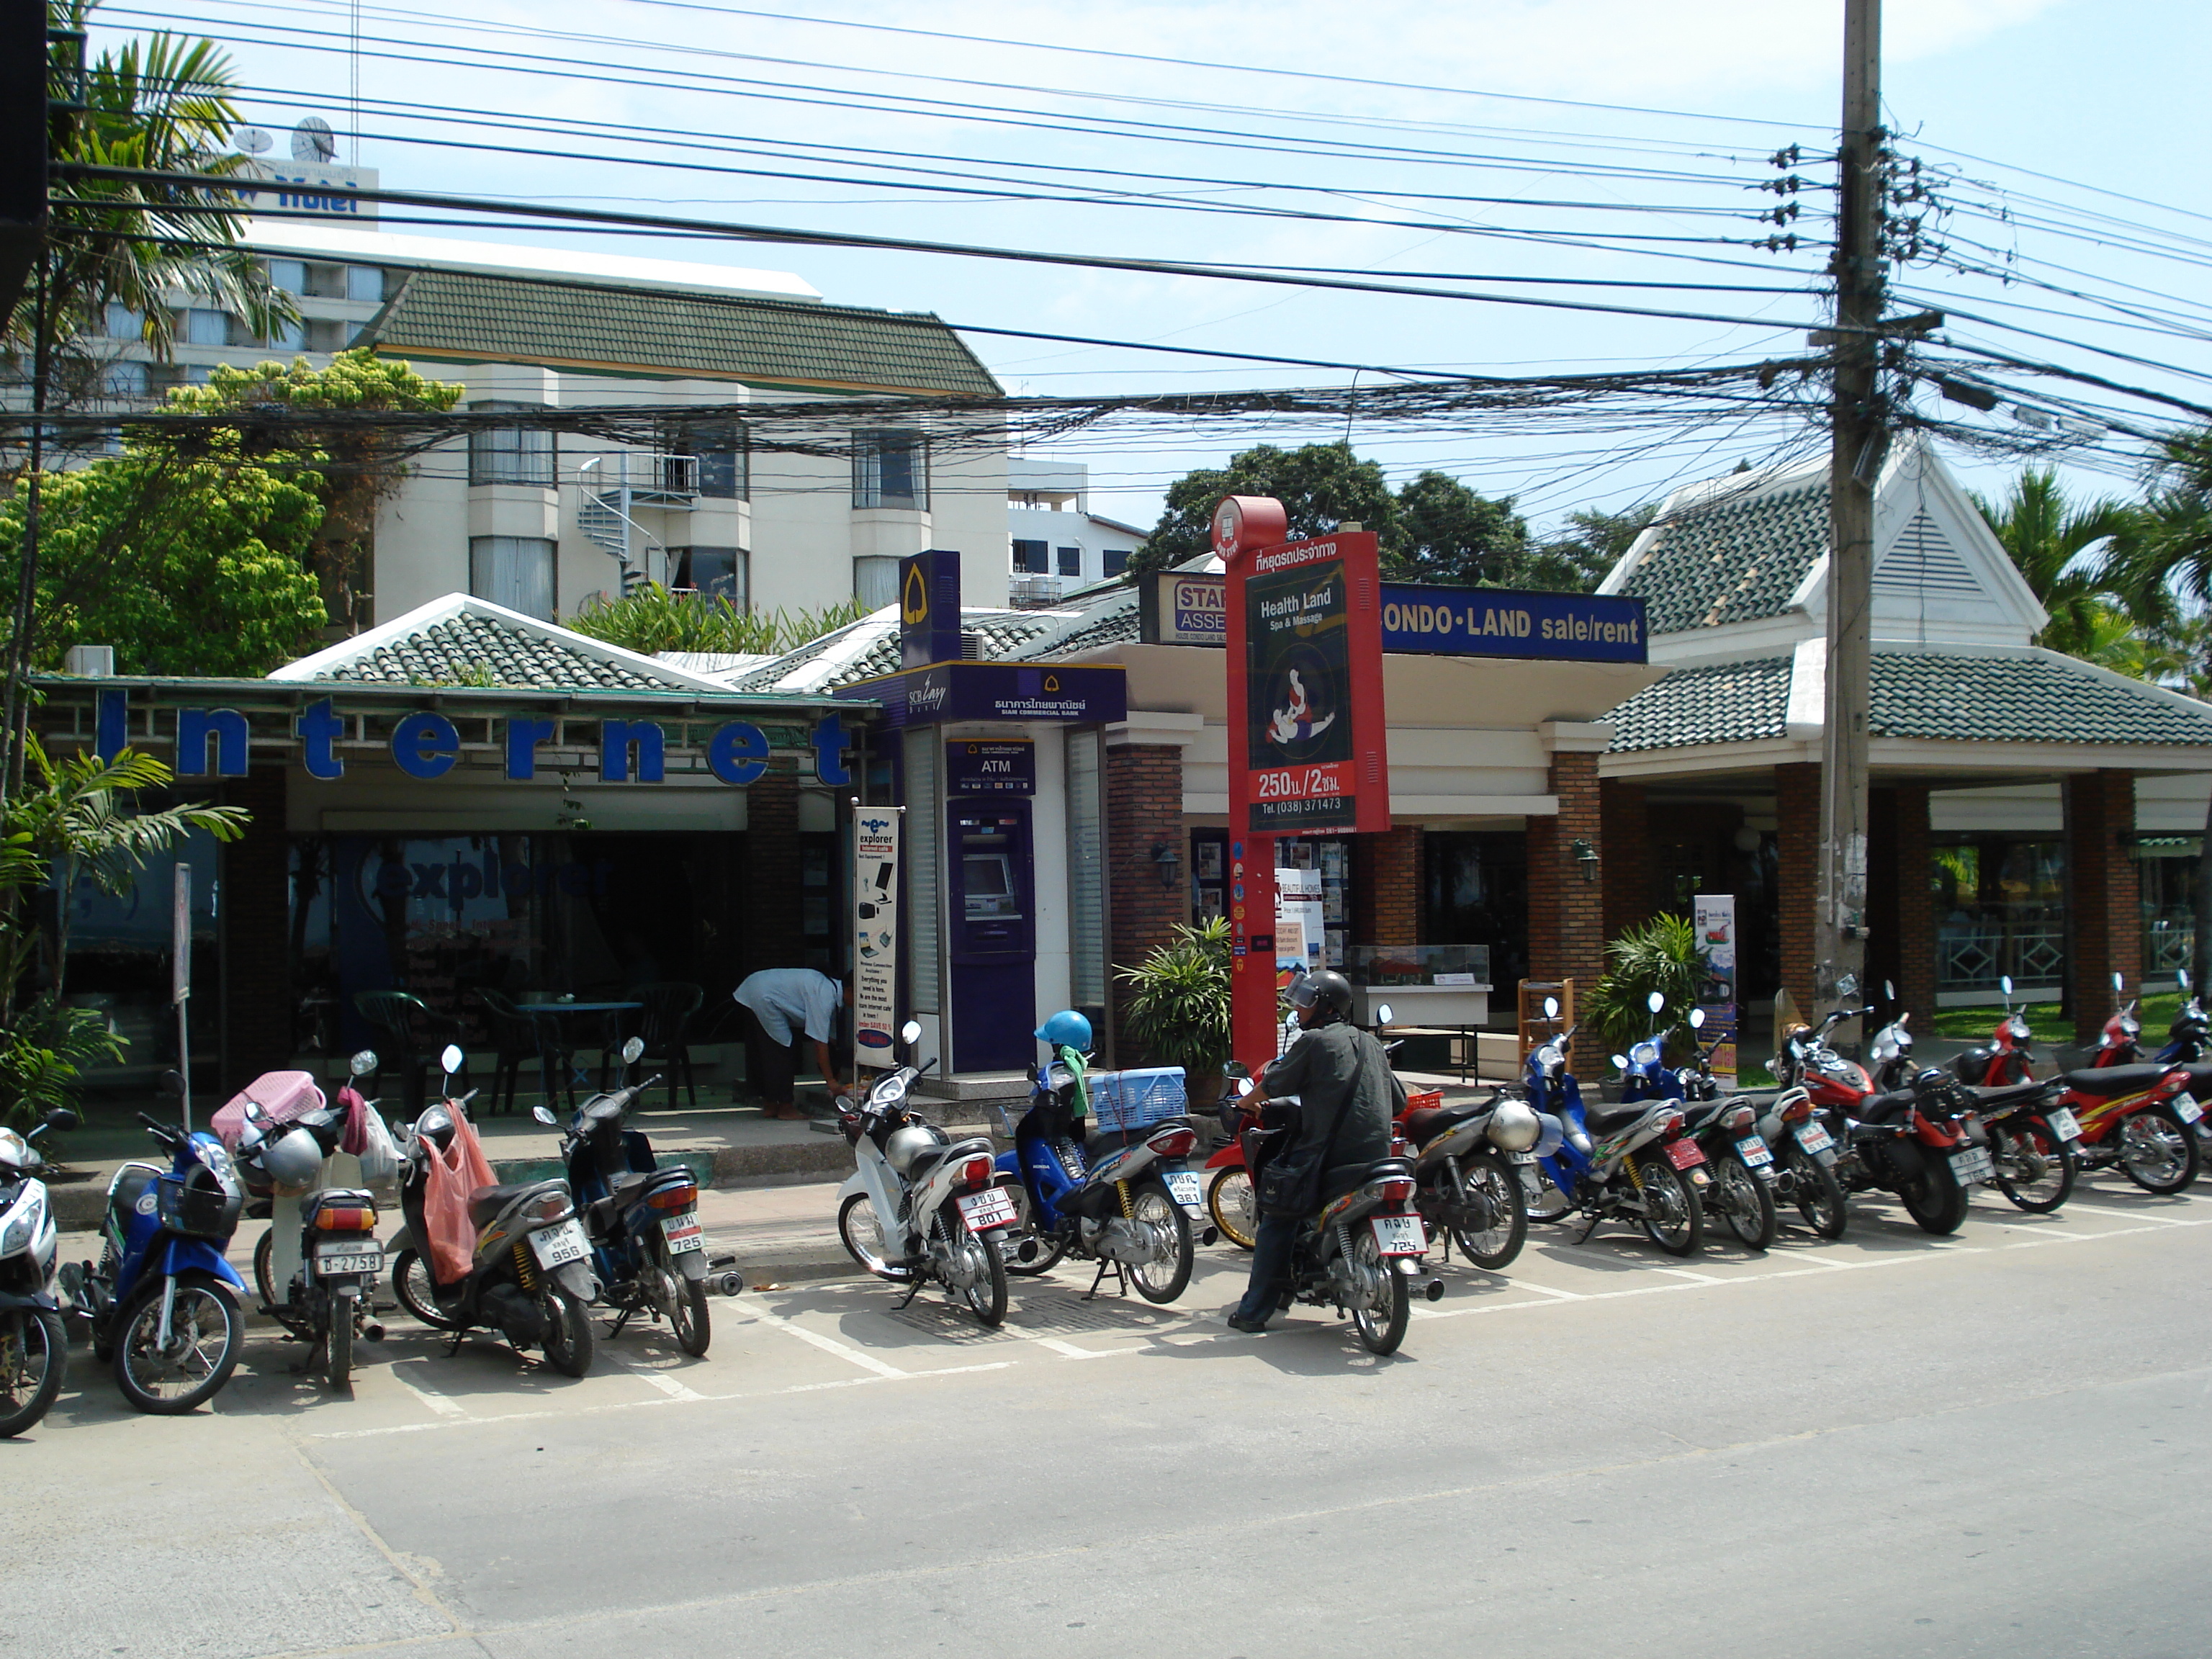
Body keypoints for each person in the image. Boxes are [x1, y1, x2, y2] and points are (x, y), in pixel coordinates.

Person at [1227, 967, 1401, 1334]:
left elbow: (1273, 1084)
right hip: (1381, 1159)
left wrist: (1246, 1103)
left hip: (1329, 1160)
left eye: (1306, 1002)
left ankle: (1254, 1311)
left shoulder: (1314, 1042)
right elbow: (1398, 1100)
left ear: (1324, 1008)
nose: (1300, 1010)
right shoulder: (1371, 1044)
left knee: (1276, 1213)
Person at [732, 968, 845, 1120]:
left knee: (764, 1050)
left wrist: (835, 1068)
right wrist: (831, 1081)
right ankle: (785, 1107)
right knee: (781, 1052)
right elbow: (820, 1044)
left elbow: (830, 1040)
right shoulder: (825, 996)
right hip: (764, 996)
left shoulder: (827, 989)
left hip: (753, 986)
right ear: (849, 991)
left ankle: (770, 1104)